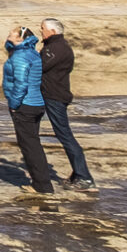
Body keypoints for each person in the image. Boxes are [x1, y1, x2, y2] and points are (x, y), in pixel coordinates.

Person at [39, 18, 95, 190]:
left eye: (42, 29)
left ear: (52, 32)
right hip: (55, 95)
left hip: (55, 96)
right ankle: (78, 175)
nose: (40, 31)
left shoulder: (56, 49)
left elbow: (39, 67)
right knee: (64, 134)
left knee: (65, 135)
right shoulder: (57, 47)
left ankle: (84, 177)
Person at [2, 24, 56, 194]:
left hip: (25, 106)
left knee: (30, 146)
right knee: (33, 144)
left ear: (20, 38)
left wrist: (14, 104)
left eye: (12, 33)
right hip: (36, 104)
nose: (9, 35)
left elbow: (21, 83)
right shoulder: (32, 52)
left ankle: (42, 186)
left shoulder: (20, 56)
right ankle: (39, 180)